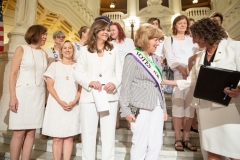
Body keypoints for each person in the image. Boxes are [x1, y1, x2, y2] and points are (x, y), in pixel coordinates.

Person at [163, 18, 240, 160]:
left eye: (195, 37)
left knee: (234, 152)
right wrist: (163, 81)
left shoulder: (235, 47)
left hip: (229, 110)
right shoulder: (200, 57)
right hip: (205, 110)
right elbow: (190, 81)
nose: (193, 41)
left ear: (206, 34)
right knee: (212, 155)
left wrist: (239, 88)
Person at [73, 17, 122, 160]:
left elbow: (119, 73)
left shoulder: (114, 49)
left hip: (109, 96)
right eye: (104, 29)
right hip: (89, 97)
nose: (107, 32)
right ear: (95, 30)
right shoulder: (84, 50)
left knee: (108, 135)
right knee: (88, 134)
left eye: (108, 30)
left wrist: (114, 82)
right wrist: (89, 82)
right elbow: (77, 73)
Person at [120, 23, 168, 160]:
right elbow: (126, 85)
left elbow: (159, 85)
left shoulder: (156, 59)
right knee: (139, 143)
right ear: (146, 38)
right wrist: (126, 110)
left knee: (156, 144)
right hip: (139, 105)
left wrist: (163, 108)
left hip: (157, 105)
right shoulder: (132, 57)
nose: (158, 43)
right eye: (155, 40)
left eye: (159, 40)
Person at [8, 24, 48, 160]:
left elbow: (45, 77)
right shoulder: (21, 49)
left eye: (46, 34)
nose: (45, 37)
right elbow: (12, 74)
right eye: (43, 34)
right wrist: (13, 96)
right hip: (23, 94)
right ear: (35, 34)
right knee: (19, 132)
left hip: (39, 95)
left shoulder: (44, 53)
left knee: (31, 132)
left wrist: (47, 98)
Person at [163, 14, 199, 152]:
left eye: (184, 23)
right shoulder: (169, 39)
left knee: (190, 109)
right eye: (180, 23)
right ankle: (178, 138)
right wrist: (182, 69)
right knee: (178, 107)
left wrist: (190, 69)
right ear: (175, 26)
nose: (183, 25)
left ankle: (186, 138)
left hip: (192, 75)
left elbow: (198, 54)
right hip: (177, 75)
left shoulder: (192, 40)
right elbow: (170, 58)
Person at [42, 40, 81, 160]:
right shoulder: (54, 65)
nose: (67, 50)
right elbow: (50, 86)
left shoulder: (78, 67)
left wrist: (74, 101)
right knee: (57, 137)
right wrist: (60, 101)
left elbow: (81, 87)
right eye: (65, 48)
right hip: (56, 105)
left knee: (69, 137)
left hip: (73, 105)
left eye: (70, 48)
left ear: (73, 51)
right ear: (61, 51)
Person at [110, 22, 135, 129]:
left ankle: (130, 122)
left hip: (129, 72)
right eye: (110, 30)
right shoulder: (110, 44)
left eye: (113, 30)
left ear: (119, 30)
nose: (111, 32)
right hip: (116, 74)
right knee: (116, 98)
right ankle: (116, 123)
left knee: (129, 98)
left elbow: (134, 55)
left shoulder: (129, 41)